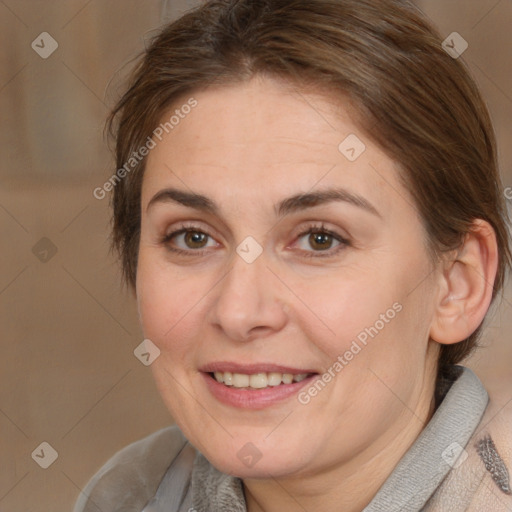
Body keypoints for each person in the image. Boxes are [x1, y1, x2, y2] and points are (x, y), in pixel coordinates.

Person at [75, 0, 512, 510]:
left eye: (319, 239)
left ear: (458, 283)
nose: (238, 312)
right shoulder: (127, 493)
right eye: (193, 237)